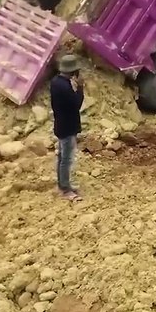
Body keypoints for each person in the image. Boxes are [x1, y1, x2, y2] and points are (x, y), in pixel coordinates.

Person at [50, 54, 85, 201]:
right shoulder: (65, 87)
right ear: (73, 71)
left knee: (61, 157)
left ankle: (63, 184)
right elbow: (76, 104)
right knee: (66, 159)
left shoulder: (56, 82)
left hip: (60, 124)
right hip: (68, 127)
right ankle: (65, 189)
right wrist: (80, 88)